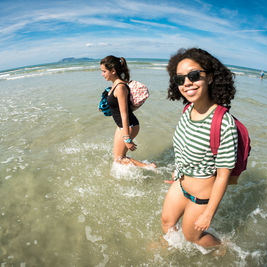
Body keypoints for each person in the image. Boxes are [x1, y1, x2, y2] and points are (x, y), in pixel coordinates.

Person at [161, 48, 238, 248]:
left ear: (210, 78)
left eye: (194, 76)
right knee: (167, 223)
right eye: (180, 79)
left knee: (193, 237)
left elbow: (223, 175)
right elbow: (182, 147)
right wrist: (177, 171)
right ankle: (171, 250)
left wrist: (208, 213)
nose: (187, 83)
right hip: (181, 182)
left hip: (201, 196)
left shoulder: (224, 123)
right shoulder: (187, 110)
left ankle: (221, 247)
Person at [100, 55, 156, 168]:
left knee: (119, 159)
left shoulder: (120, 87)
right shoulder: (115, 85)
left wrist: (127, 138)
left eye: (104, 71)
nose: (102, 74)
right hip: (121, 125)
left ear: (113, 71)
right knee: (117, 157)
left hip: (129, 125)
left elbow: (124, 114)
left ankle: (149, 167)